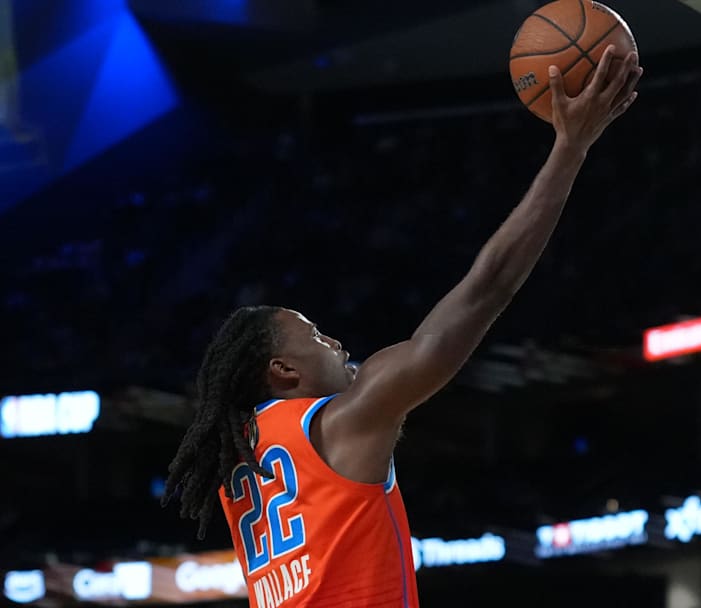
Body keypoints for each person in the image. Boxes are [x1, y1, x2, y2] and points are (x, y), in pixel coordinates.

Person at [162, 47, 642, 607]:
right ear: (283, 368)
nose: (336, 342)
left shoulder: (239, 458)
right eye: (316, 335)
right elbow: (488, 288)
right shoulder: (341, 422)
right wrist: (570, 148)